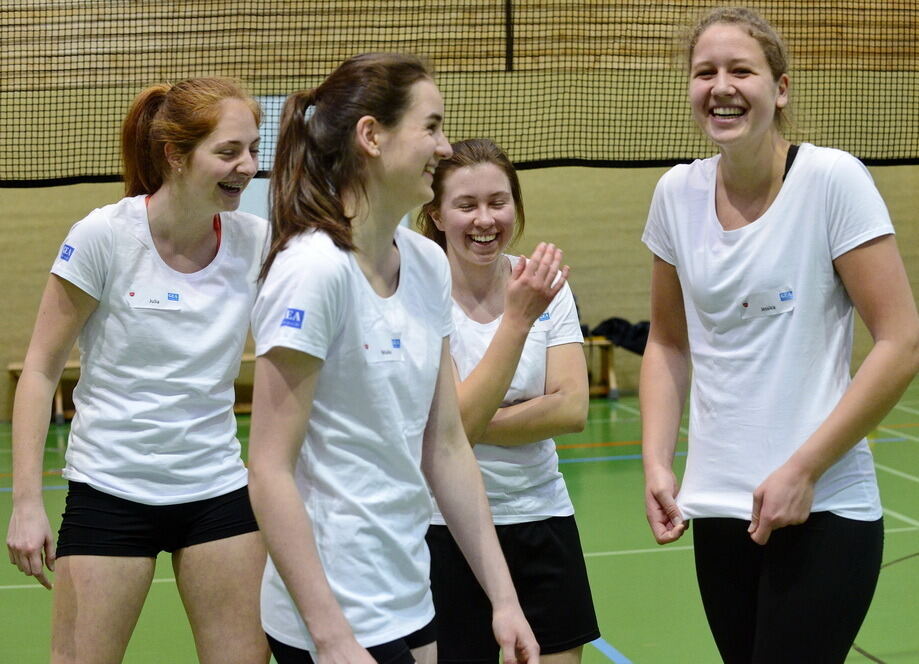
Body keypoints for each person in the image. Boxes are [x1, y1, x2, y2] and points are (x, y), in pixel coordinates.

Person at [639, 7, 919, 663]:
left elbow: (900, 341)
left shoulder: (831, 181)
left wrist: (803, 469)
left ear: (780, 88)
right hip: (717, 510)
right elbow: (667, 342)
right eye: (704, 72)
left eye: (741, 69)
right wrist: (656, 461)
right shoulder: (673, 195)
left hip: (821, 503)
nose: (721, 85)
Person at [246, 54, 539, 664]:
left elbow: (447, 444)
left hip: (409, 595)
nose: (445, 144)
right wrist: (330, 637)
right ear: (372, 137)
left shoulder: (427, 263)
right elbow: (270, 469)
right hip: (330, 618)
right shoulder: (312, 271)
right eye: (431, 126)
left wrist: (504, 599)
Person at [5, 77, 271, 663]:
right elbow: (42, 369)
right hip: (111, 487)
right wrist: (27, 502)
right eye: (228, 152)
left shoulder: (256, 240)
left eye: (253, 148)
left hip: (217, 488)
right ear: (176, 155)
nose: (247, 166)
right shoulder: (104, 236)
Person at [416, 138, 599, 663]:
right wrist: (466, 421)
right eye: (466, 205)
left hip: (541, 513)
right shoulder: (420, 288)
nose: (485, 220)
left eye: (498, 202)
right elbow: (461, 428)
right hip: (443, 527)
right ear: (436, 212)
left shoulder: (545, 284)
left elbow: (571, 409)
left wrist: (456, 422)